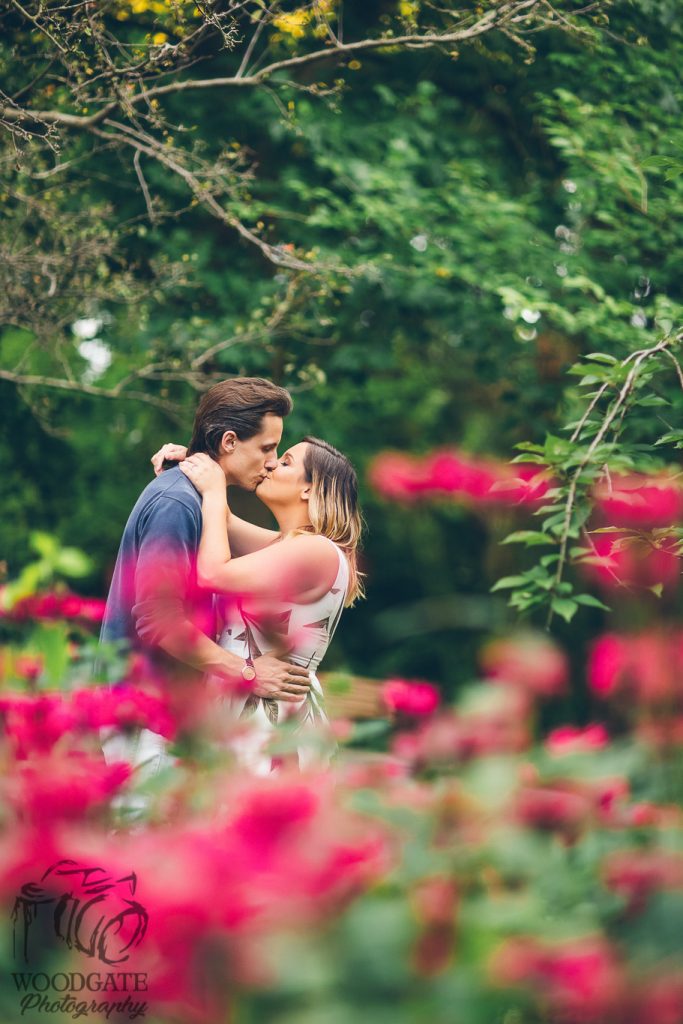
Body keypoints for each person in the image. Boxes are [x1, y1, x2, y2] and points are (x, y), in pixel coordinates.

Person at [99, 378, 313, 777]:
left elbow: (288, 553)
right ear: (229, 442)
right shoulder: (177, 502)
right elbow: (158, 620)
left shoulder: (196, 500)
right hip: (145, 721)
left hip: (166, 723)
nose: (272, 460)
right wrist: (247, 671)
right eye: (267, 448)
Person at [153, 435, 363, 773]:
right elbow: (222, 520)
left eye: (286, 462)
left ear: (309, 489)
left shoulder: (316, 552)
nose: (271, 464)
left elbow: (212, 573)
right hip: (243, 710)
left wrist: (214, 489)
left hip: (269, 725)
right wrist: (190, 465)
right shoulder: (287, 546)